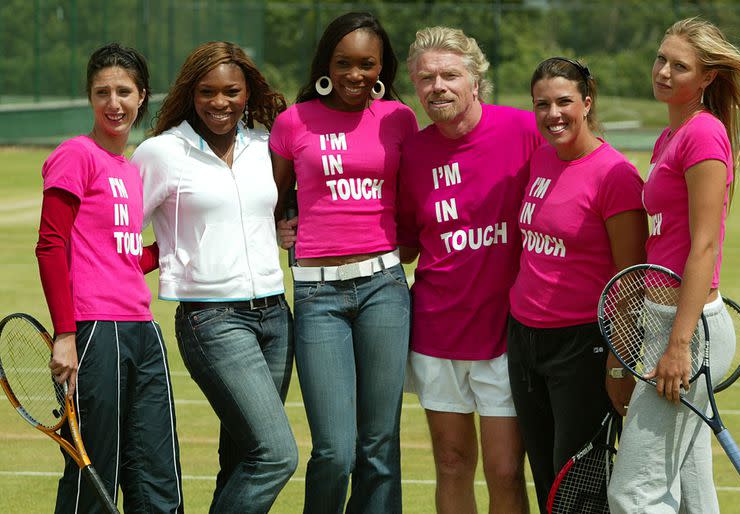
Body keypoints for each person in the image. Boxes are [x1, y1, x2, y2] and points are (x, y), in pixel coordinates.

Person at [608, 18, 740, 513]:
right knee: (693, 495)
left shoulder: (704, 134)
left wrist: (678, 344)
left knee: (633, 494)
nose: (663, 71)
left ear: (705, 79)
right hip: (666, 322)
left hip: (686, 328)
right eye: (661, 59)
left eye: (680, 66)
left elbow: (704, 247)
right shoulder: (667, 139)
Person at [131, 42, 297, 513]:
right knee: (276, 455)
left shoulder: (265, 148)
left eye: (231, 91)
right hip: (213, 322)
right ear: (190, 93)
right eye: (207, 91)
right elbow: (118, 235)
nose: (219, 102)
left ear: (248, 92)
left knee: (244, 457)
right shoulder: (161, 153)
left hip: (275, 316)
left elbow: (266, 212)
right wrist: (163, 255)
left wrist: (284, 227)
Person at [270, 12, 418, 514]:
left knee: (380, 445)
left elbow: (414, 197)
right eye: (345, 63)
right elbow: (272, 199)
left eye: (367, 64)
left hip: (384, 287)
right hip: (318, 294)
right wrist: (281, 225)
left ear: (382, 67)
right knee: (334, 450)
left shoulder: (399, 117)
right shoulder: (294, 121)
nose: (357, 75)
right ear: (326, 64)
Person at [396, 27, 542, 514]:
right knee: (453, 463)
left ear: (475, 80)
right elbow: (405, 243)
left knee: (505, 470)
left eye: (449, 75)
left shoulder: (525, 130)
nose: (437, 86)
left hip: (505, 332)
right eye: (425, 78)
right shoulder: (412, 153)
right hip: (437, 330)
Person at [36, 43, 183, 513]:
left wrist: (166, 252)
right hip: (96, 331)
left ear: (143, 96)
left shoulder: (131, 168)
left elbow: (118, 256)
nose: (113, 103)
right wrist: (65, 333)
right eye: (103, 92)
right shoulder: (75, 154)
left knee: (157, 475)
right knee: (95, 477)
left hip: (143, 331)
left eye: (124, 91)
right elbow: (51, 244)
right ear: (90, 98)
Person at [505, 57, 648, 513]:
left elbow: (630, 279)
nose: (553, 114)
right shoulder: (541, 157)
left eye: (564, 102)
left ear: (587, 102)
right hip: (524, 339)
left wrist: (617, 365)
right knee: (546, 477)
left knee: (580, 489)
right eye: (541, 104)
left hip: (583, 345)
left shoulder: (616, 174)